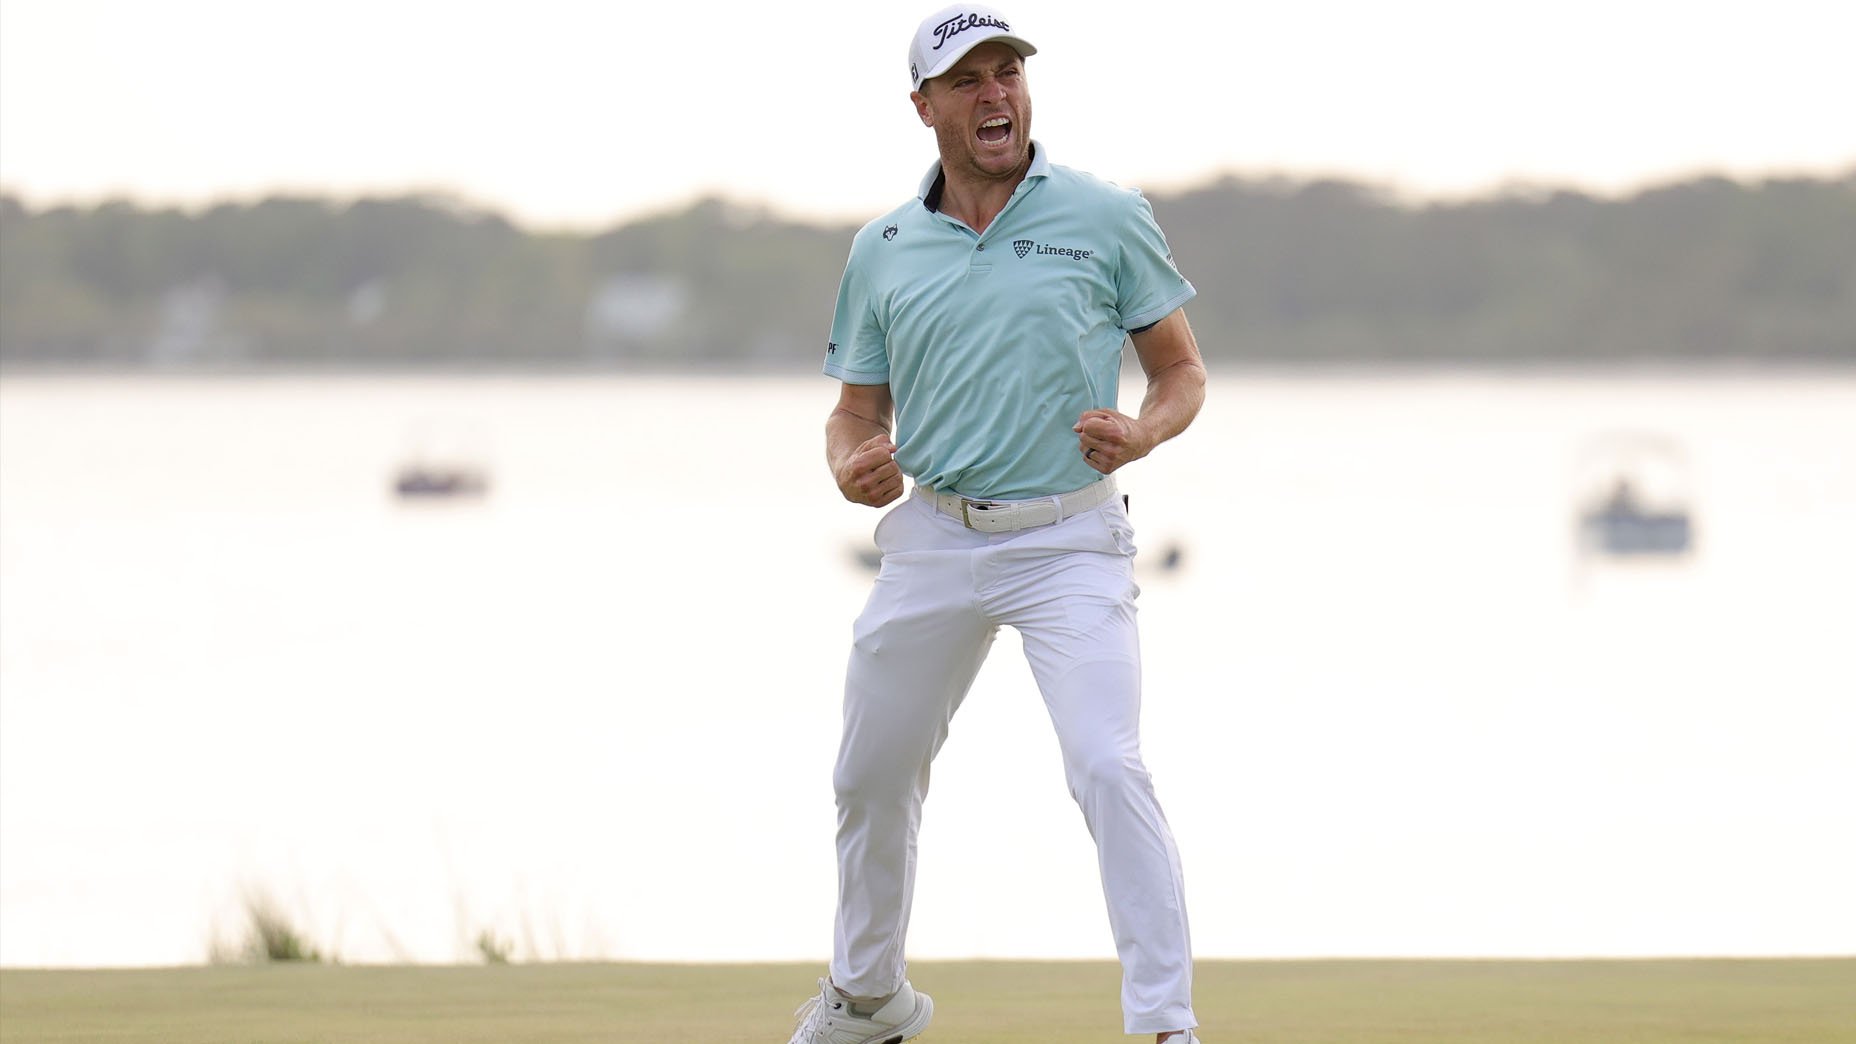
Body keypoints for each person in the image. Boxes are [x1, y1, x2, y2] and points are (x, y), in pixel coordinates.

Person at [788, 6, 1208, 1043]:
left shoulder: (1105, 215)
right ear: (923, 106)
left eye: (1006, 72)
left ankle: (1164, 1024)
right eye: (968, 79)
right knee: (870, 770)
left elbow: (1180, 370)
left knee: (1107, 763)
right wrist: (850, 462)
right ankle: (867, 1000)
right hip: (931, 539)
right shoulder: (882, 248)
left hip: (1068, 541)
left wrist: (1144, 432)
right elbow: (853, 409)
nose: (995, 94)